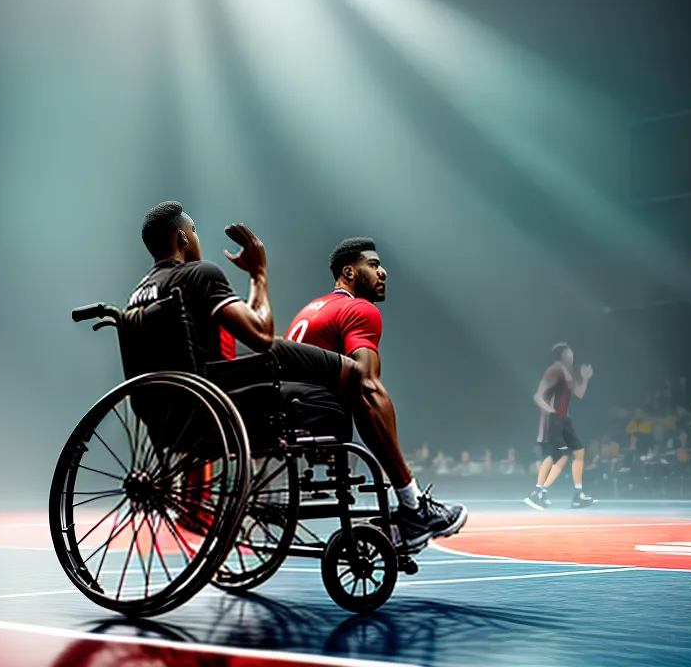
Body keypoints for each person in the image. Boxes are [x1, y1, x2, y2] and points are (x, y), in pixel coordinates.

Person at [285, 237, 467, 544]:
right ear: (349, 273)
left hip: (283, 409)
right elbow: (366, 384)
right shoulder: (359, 309)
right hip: (311, 415)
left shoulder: (311, 309)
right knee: (366, 387)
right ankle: (414, 506)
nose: (383, 273)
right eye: (373, 265)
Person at [126, 202, 361, 408]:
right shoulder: (198, 275)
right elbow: (261, 337)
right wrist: (258, 273)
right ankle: (390, 460)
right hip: (212, 402)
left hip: (164, 418)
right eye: (194, 231)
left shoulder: (136, 298)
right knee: (352, 373)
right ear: (183, 238)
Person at [524, 343, 594, 510]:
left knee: (578, 453)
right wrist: (552, 412)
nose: (572, 353)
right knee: (560, 457)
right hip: (554, 419)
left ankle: (577, 495)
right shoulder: (554, 370)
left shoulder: (567, 373)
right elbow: (538, 396)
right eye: (569, 351)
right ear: (562, 355)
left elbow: (579, 393)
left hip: (565, 419)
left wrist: (585, 378)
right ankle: (539, 493)